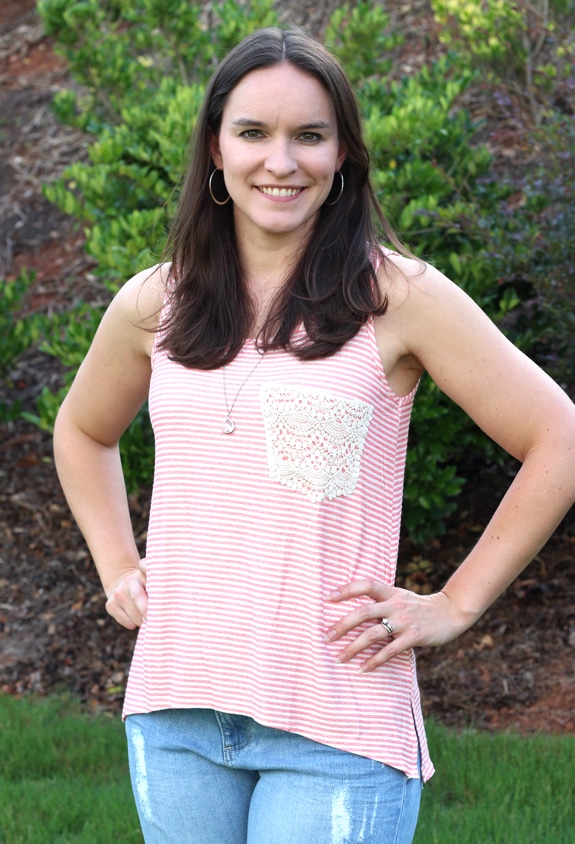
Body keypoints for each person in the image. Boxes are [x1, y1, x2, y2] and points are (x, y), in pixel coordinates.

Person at [53, 26, 575, 844]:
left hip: (335, 718)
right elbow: (83, 432)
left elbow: (560, 436)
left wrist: (456, 602)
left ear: (342, 157)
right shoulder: (155, 303)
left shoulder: (399, 297)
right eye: (253, 132)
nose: (281, 161)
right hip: (175, 709)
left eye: (309, 135)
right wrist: (117, 563)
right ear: (215, 151)